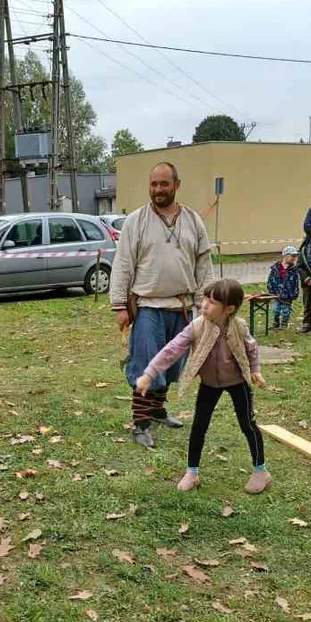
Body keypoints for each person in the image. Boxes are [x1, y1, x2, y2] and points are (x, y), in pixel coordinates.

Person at [110, 162, 215, 449]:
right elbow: (122, 265)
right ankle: (141, 423)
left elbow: (203, 266)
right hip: (148, 307)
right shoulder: (136, 221)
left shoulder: (193, 220)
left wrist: (206, 305)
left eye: (163, 184)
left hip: (181, 307)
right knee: (145, 364)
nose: (158, 190)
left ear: (176, 185)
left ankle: (157, 411)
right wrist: (120, 305)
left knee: (171, 367)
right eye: (153, 184)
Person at [135, 279, 268, 493]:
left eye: (213, 302)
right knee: (199, 426)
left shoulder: (239, 326)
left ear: (229, 308)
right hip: (210, 383)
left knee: (248, 424)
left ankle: (261, 471)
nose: (205, 305)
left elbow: (251, 348)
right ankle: (192, 472)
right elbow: (172, 349)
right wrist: (149, 373)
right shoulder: (196, 326)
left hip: (237, 382)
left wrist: (255, 370)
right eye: (205, 299)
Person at [266, 245, 300, 329]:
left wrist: (294, 293)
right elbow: (270, 279)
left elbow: (296, 282)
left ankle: (284, 323)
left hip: (288, 295)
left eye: (295, 256)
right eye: (292, 256)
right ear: (285, 256)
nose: (294, 258)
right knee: (275, 310)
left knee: (286, 310)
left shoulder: (294, 270)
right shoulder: (275, 268)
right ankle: (276, 322)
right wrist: (271, 290)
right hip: (276, 294)